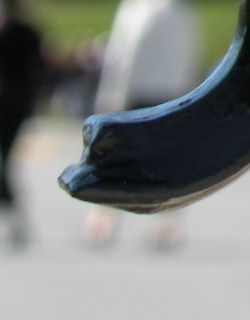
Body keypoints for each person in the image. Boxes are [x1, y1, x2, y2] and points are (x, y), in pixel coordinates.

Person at [83, 0, 199, 249]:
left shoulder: (141, 10)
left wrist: (110, 96)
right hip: (166, 92)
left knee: (119, 159)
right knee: (161, 161)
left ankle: (108, 219)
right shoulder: (177, 11)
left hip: (142, 93)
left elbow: (124, 56)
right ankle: (162, 221)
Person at [0, 0, 45, 248]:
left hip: (2, 101)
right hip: (20, 101)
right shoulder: (29, 32)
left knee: (2, 159)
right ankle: (6, 206)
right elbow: (40, 68)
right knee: (5, 159)